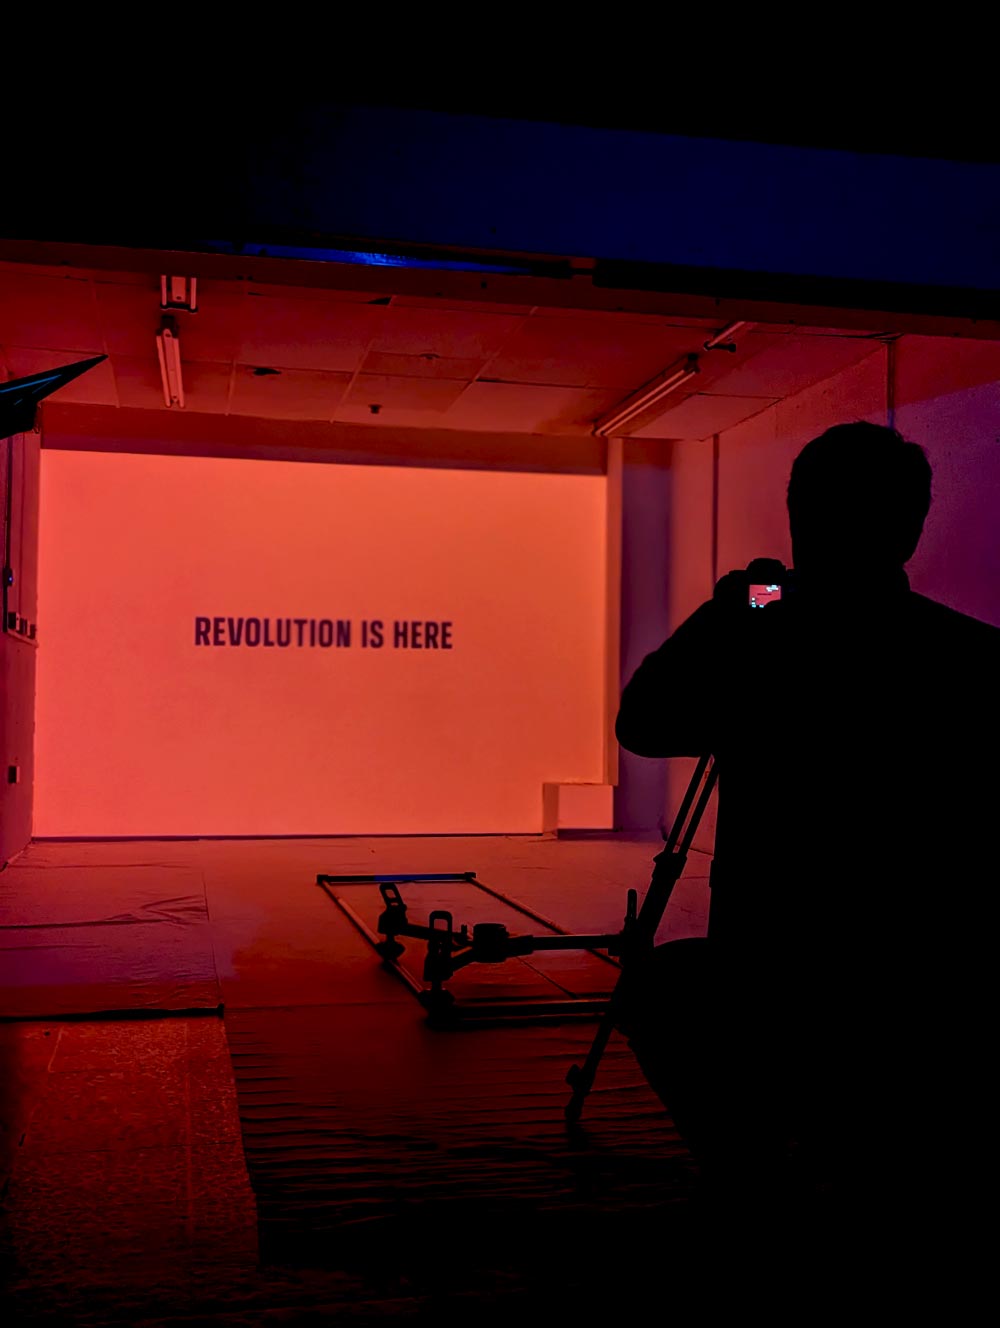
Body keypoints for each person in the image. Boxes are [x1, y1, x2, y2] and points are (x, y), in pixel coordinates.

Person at [613, 422, 1000, 1236]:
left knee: (660, 991)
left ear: (798, 518)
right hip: (927, 988)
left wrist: (735, 609)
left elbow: (646, 721)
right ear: (913, 525)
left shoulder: (764, 630)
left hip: (773, 974)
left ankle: (756, 1180)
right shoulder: (971, 658)